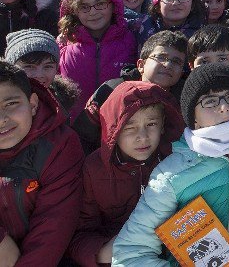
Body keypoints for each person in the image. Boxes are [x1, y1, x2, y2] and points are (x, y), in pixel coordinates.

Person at [112, 63, 229, 266]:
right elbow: (130, 253)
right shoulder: (172, 175)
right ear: (193, 118)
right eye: (209, 101)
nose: (223, 107)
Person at [69, 81, 184, 267]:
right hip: (116, 256)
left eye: (151, 124)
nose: (143, 136)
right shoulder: (94, 169)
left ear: (163, 126)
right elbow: (80, 233)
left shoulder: (176, 160)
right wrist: (100, 252)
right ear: (113, 129)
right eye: (130, 127)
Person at [0, 62, 84, 265]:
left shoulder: (59, 145)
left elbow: (54, 227)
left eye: (11, 104)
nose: (2, 119)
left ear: (33, 104)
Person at [73, 30, 189, 154]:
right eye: (161, 57)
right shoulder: (112, 90)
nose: (168, 64)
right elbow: (82, 136)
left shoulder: (184, 99)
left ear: (182, 72)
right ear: (141, 65)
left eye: (176, 61)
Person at [59, 0, 138, 119]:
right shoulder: (63, 45)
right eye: (84, 7)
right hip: (76, 130)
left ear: (114, 5)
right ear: (74, 11)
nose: (93, 12)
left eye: (100, 4)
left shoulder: (133, 40)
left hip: (121, 126)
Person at [131, 0, 206, 45]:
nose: (176, 2)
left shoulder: (202, 35)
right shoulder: (142, 26)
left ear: (192, 4)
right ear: (157, 6)